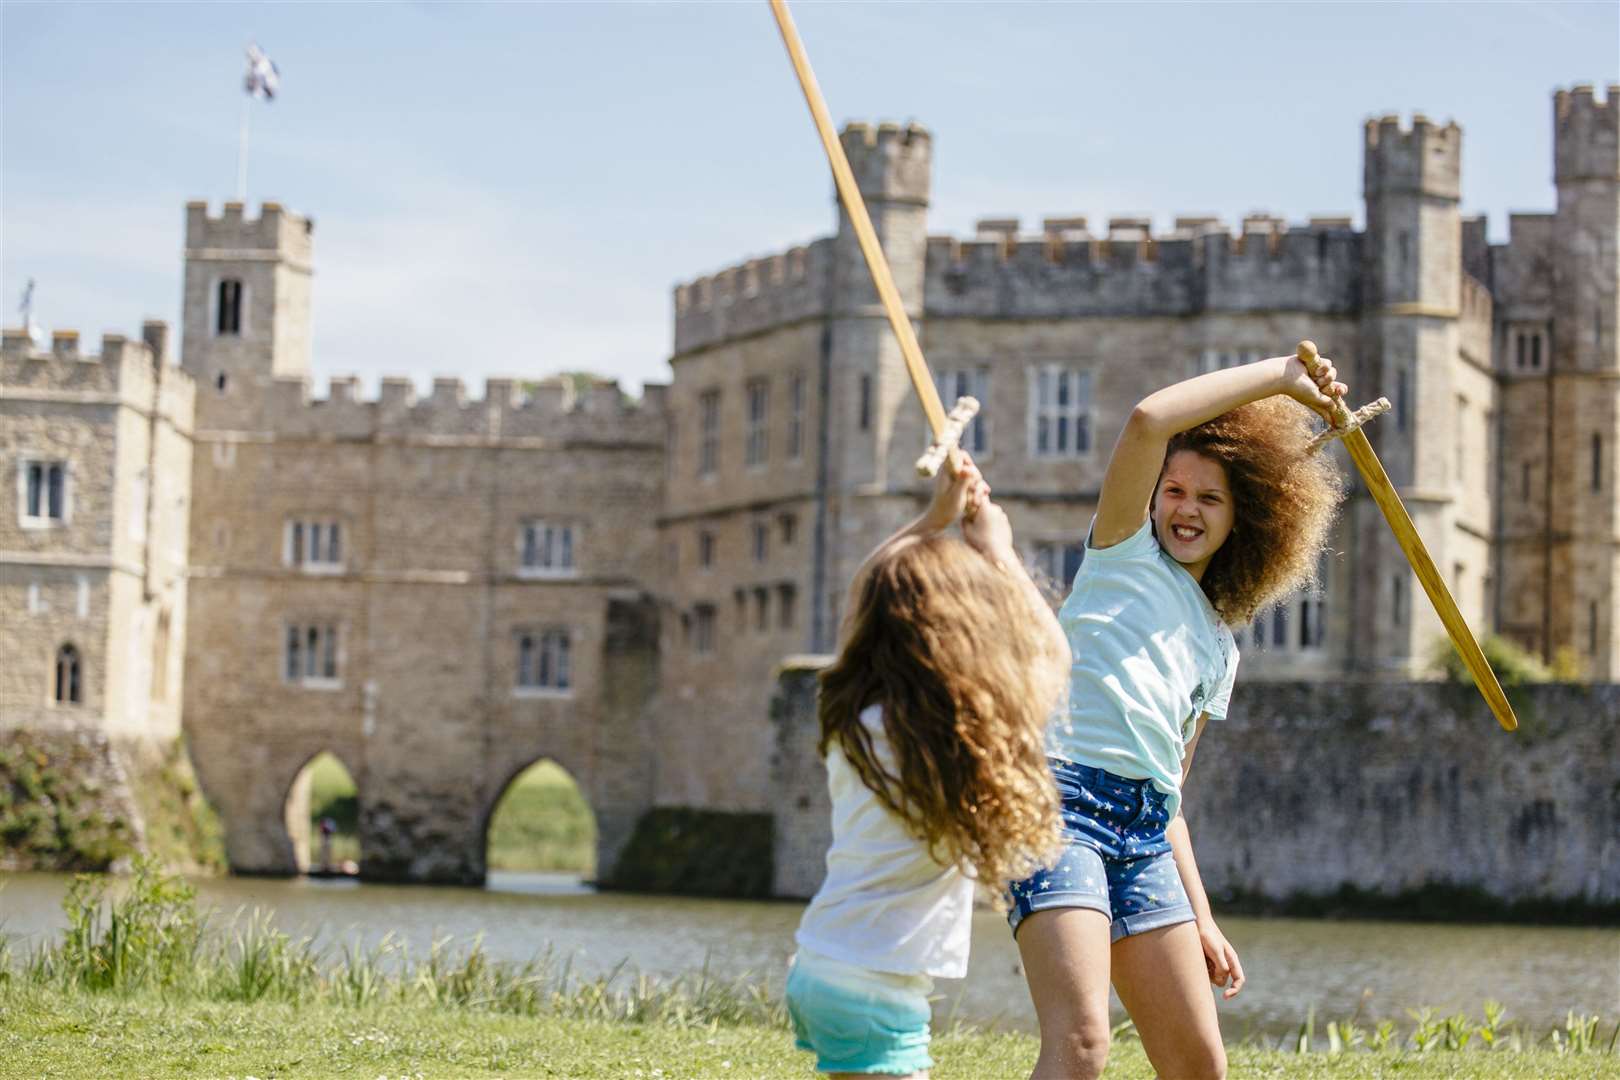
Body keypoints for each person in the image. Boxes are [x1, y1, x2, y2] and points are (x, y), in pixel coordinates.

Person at [1009, 352, 1349, 1080]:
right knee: (1080, 1044)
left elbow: (1171, 796)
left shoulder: (1220, 649)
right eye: (1174, 490)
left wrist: (1201, 915)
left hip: (1142, 837)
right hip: (1057, 808)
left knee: (1200, 1067)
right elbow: (1148, 420)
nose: (1186, 509)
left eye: (1210, 500)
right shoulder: (1120, 553)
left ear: (1244, 522)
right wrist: (1284, 376)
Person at [787, 454, 1071, 1079]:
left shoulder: (851, 717)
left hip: (819, 964)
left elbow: (864, 592)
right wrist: (998, 552)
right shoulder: (965, 738)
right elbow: (1052, 651)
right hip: (873, 987)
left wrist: (930, 519)